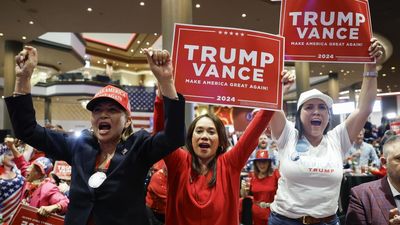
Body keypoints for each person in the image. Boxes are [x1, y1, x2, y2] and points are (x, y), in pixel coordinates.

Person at [5, 46, 185, 225]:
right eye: (97, 110)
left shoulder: (139, 146)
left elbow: (173, 137)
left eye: (112, 110)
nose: (103, 115)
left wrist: (165, 80)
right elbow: (27, 130)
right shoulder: (79, 144)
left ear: (128, 121)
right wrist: (23, 78)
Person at [267, 38, 385, 225]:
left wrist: (370, 67)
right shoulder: (288, 134)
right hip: (285, 220)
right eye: (309, 107)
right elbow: (272, 107)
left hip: (327, 221)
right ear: (299, 115)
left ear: (328, 116)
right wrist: (279, 90)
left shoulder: (337, 138)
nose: (316, 111)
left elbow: (364, 108)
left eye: (322, 107)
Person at [153, 91, 274, 225]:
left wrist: (275, 92)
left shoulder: (230, 163)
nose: (204, 136)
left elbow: (254, 131)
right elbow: (161, 135)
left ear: (221, 140)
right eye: (199, 131)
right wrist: (161, 95)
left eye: (211, 132)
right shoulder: (179, 161)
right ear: (191, 138)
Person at [345, 135, 400, 225]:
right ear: (384, 162)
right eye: (399, 158)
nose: (359, 135)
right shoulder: (362, 196)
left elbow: (374, 160)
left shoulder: (369, 147)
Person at [241, 149, 280, 225]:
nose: (262, 165)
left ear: (269, 163)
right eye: (259, 161)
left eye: (264, 161)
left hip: (273, 212)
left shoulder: (275, 174)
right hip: (256, 212)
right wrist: (243, 189)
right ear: (255, 163)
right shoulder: (252, 176)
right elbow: (244, 195)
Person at [0, 137, 24, 224]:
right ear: (2, 158)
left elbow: (23, 164)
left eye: (13, 155)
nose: (13, 157)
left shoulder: (19, 173)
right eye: (9, 155)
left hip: (18, 219)